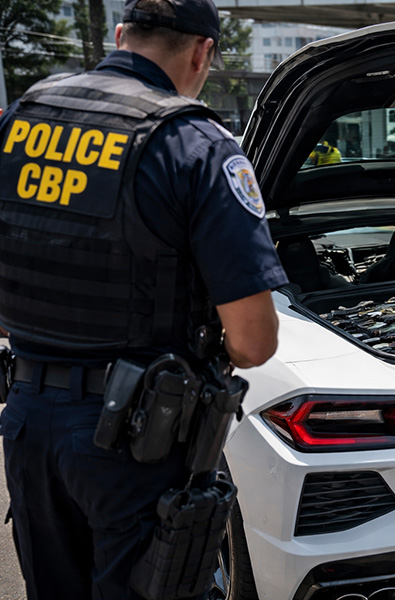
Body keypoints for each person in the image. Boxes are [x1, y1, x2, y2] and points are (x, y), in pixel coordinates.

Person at [0, 0, 288, 597]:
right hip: (134, 441)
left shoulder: (24, 117)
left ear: (120, 34)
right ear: (203, 51)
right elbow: (255, 342)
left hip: (28, 422)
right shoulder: (196, 145)